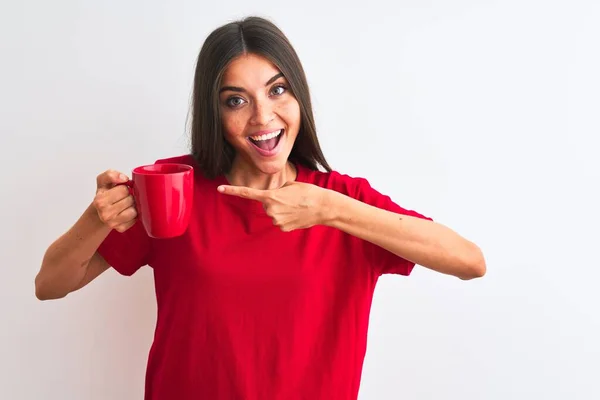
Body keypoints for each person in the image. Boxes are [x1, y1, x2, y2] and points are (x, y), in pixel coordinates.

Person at [35, 16, 486, 400]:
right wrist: (97, 218)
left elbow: (469, 262)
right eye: (236, 100)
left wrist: (332, 210)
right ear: (215, 113)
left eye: (277, 91)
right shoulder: (172, 187)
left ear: (299, 98)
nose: (262, 117)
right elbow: (50, 285)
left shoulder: (341, 200)